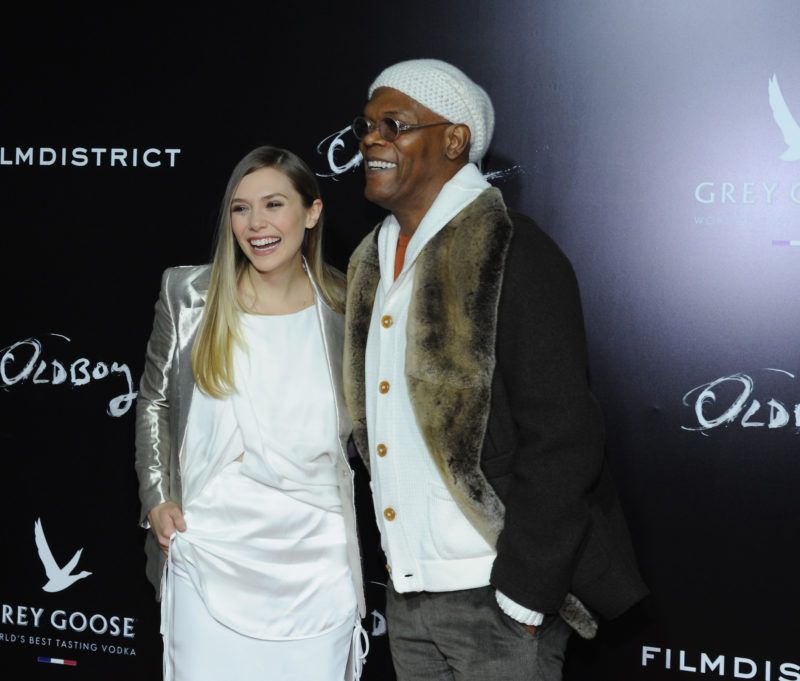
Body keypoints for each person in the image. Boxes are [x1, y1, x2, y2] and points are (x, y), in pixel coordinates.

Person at [343, 59, 647, 680]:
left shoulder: (512, 249)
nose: (372, 140)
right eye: (367, 125)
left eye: (394, 124)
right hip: (407, 595)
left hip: (497, 601)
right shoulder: (369, 260)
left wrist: (524, 597)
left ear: (454, 139)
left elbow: (565, 439)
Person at [135, 146, 367, 681]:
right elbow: (155, 400)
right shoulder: (190, 294)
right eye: (241, 208)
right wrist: (157, 495)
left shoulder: (349, 303)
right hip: (209, 544)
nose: (256, 224)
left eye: (273, 205)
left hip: (317, 554)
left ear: (311, 213)